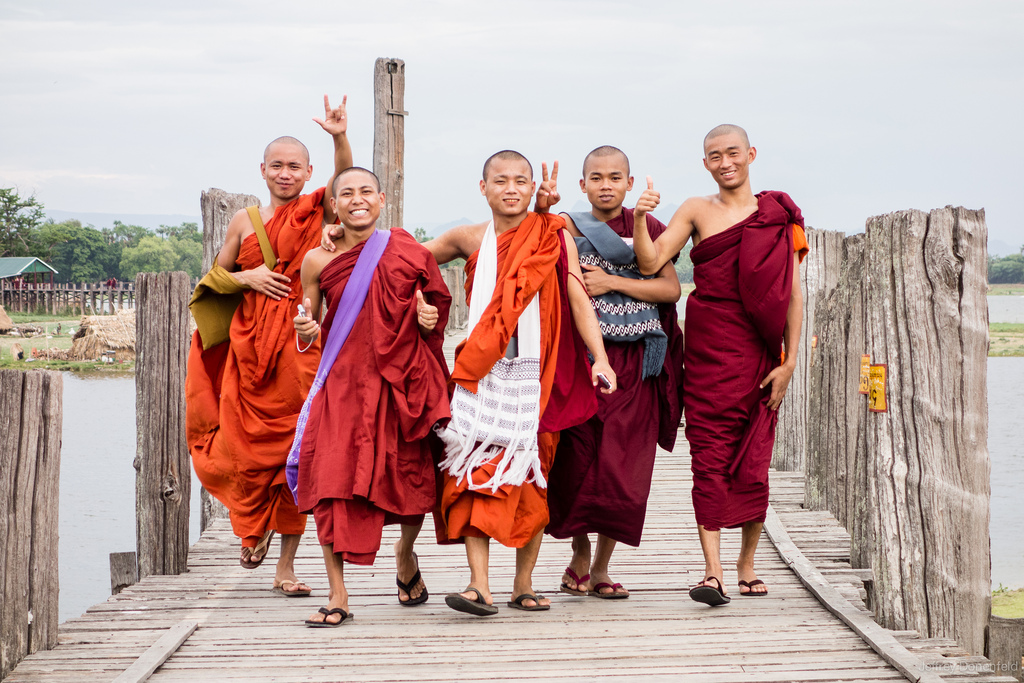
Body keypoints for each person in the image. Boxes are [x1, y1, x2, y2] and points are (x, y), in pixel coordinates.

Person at [424, 150, 616, 616]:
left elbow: (576, 297)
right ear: (483, 188)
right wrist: (416, 302)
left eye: (520, 181)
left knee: (532, 477)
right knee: (470, 476)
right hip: (480, 374)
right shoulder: (468, 238)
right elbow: (405, 264)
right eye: (501, 181)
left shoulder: (552, 236)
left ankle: (522, 583)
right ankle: (478, 586)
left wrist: (602, 358)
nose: (511, 189)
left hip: (539, 375)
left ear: (533, 189)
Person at [632, 124, 808, 605]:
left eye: (733, 153)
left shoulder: (776, 216)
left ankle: (746, 562)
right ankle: (712, 572)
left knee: (754, 460)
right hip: (709, 351)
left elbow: (792, 294)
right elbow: (651, 264)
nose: (725, 162)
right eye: (715, 155)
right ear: (705, 162)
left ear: (750, 154)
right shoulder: (694, 210)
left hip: (759, 354)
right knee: (708, 456)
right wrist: (639, 222)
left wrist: (790, 363)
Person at [185, 95, 352, 597]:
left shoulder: (318, 211)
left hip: (299, 345)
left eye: (294, 167)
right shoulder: (244, 221)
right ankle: (250, 528)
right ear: (262, 170)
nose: (285, 174)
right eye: (276, 165)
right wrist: (249, 277)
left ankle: (286, 566)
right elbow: (215, 277)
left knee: (296, 447)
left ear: (309, 173)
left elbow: (345, 180)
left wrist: (339, 136)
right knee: (243, 444)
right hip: (249, 347)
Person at [291, 166, 451, 627]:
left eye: (366, 192)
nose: (357, 199)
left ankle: (405, 553)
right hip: (340, 387)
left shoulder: (408, 251)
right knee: (329, 483)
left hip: (399, 383)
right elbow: (310, 322)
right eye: (346, 193)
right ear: (334, 205)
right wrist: (304, 328)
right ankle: (337, 594)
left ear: (381, 200)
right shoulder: (317, 261)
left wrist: (426, 322)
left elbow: (435, 310)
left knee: (411, 479)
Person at [546, 146, 684, 599]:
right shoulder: (566, 226)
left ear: (629, 183)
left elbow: (669, 288)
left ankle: (601, 567)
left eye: (615, 177)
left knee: (624, 466)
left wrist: (611, 282)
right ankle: (580, 555)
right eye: (597, 177)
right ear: (582, 185)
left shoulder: (651, 229)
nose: (606, 184)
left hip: (638, 364)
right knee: (577, 459)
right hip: (583, 358)